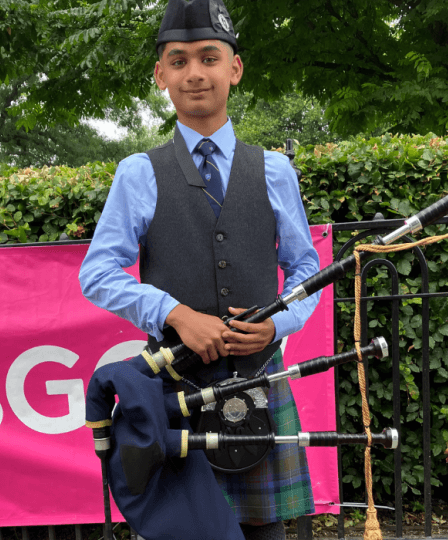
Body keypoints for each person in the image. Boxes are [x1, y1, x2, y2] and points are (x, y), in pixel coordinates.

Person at [79, 1, 321, 538]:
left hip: (261, 384)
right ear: (161, 74)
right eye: (179, 59)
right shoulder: (138, 173)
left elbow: (305, 265)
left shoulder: (275, 171)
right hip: (173, 392)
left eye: (209, 57)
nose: (195, 72)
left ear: (234, 69)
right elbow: (96, 273)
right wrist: (175, 313)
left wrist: (276, 325)